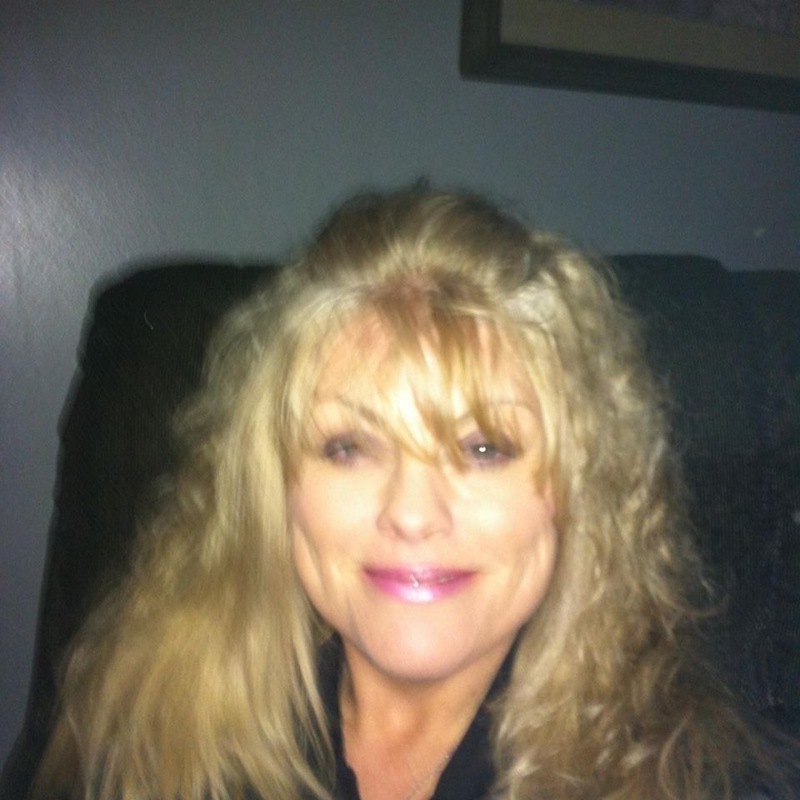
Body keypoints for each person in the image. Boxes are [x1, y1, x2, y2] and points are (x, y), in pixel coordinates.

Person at [35, 189, 795, 800]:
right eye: (349, 446)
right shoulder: (141, 732)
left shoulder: (700, 781)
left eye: (483, 448)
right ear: (274, 484)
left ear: (578, 492)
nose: (410, 513)